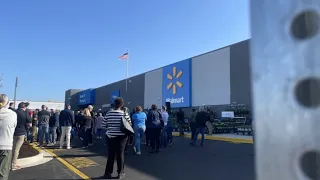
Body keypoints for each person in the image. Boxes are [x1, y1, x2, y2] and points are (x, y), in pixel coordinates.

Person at [101, 97, 131, 179]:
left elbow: (103, 125)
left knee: (111, 155)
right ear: (122, 105)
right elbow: (129, 125)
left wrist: (111, 128)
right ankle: (120, 173)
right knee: (120, 155)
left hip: (110, 136)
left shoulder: (108, 113)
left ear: (114, 104)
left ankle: (107, 173)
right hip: (122, 137)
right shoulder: (124, 114)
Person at [0, 94, 17, 180]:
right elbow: (14, 126)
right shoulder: (12, 114)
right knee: (3, 173)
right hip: (6, 145)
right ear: (7, 103)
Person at [12, 102, 32, 170]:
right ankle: (13, 165)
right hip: (20, 132)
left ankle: (9, 162)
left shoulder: (13, 112)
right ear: (24, 107)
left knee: (12, 148)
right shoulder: (25, 113)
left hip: (12, 132)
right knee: (16, 149)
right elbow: (30, 124)